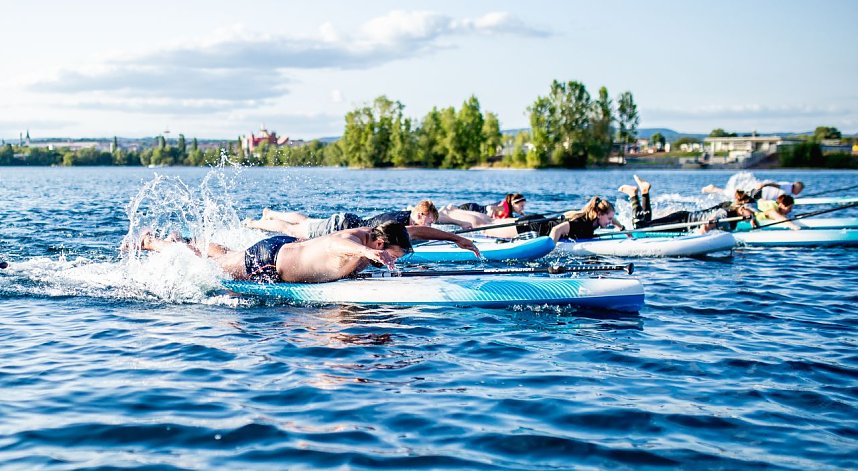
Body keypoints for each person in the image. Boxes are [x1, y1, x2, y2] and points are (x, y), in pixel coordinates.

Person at [135, 222, 415, 283]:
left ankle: (188, 240)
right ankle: (151, 243)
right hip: (267, 261)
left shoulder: (371, 242)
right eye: (394, 255)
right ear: (380, 245)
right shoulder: (355, 241)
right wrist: (370, 254)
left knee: (227, 254)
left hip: (284, 246)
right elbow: (335, 245)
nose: (394, 261)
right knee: (207, 267)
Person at [244, 199, 481, 257]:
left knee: (305, 221)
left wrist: (456, 229)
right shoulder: (402, 224)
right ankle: (258, 223)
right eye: (429, 220)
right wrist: (455, 238)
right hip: (341, 226)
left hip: (347, 221)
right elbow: (419, 232)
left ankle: (271, 213)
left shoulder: (406, 217)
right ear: (420, 214)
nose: (430, 224)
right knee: (297, 231)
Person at [620, 175, 755, 233]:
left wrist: (753, 221)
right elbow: (711, 222)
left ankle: (644, 191)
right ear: (742, 208)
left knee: (646, 223)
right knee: (640, 228)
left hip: (684, 218)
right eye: (752, 210)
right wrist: (703, 234)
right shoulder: (725, 213)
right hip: (681, 221)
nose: (754, 213)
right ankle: (633, 195)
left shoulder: (733, 214)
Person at [476, 196, 618, 242]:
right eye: (610, 218)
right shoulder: (582, 224)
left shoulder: (593, 219)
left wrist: (621, 228)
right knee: (486, 229)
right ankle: (456, 215)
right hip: (531, 226)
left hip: (539, 221)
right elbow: (557, 230)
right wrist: (548, 249)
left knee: (491, 223)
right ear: (599, 214)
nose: (611, 222)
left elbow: (610, 218)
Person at [457, 193, 527, 220]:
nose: (523, 208)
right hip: (470, 209)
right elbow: (490, 207)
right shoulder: (504, 208)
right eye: (521, 206)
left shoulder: (509, 209)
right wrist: (489, 216)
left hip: (473, 209)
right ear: (513, 204)